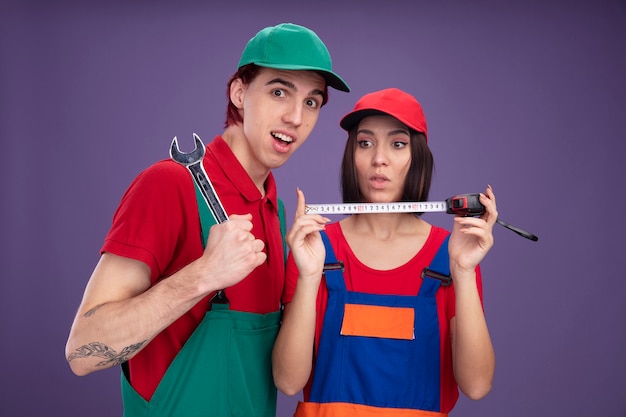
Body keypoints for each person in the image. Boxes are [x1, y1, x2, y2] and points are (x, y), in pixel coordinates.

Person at [65, 23, 349, 417]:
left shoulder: (275, 210)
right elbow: (83, 351)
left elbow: (285, 378)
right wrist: (204, 276)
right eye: (279, 91)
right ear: (238, 92)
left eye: (312, 102)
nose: (296, 117)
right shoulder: (170, 184)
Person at [272, 88, 496, 416]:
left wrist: (462, 271)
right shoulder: (315, 250)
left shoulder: (451, 254)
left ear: (417, 157)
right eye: (365, 143)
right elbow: (288, 381)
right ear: (352, 156)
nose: (379, 158)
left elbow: (476, 385)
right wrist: (308, 277)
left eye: (398, 143)